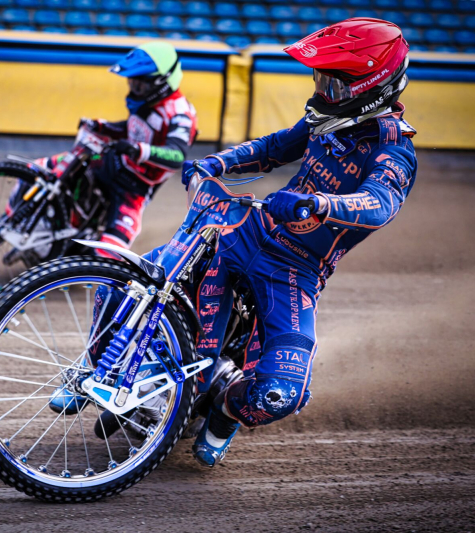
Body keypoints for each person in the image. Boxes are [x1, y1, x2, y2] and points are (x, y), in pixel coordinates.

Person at [179, 18, 419, 466]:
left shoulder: (394, 150)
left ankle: (224, 410)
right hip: (248, 229)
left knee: (278, 395)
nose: (322, 90)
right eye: (320, 79)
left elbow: (380, 204)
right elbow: (274, 147)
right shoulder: (324, 121)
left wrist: (320, 204)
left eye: (335, 84)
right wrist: (215, 162)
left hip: (295, 271)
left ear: (373, 89)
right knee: (155, 276)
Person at [35, 41, 198, 258]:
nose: (133, 90)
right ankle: (11, 222)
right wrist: (102, 126)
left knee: (109, 253)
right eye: (132, 83)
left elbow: (177, 155)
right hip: (111, 163)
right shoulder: (148, 103)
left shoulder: (180, 113)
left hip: (134, 188)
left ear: (160, 82)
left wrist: (138, 150)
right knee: (37, 169)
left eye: (139, 86)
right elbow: (133, 128)